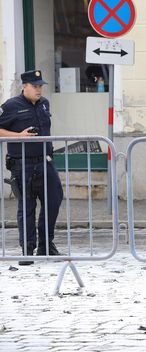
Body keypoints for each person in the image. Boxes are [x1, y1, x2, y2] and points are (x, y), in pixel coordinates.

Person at [0, 70, 63, 266]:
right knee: (27, 207)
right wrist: (17, 135)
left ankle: (46, 244)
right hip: (23, 165)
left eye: (40, 86)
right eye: (34, 86)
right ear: (24, 86)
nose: (38, 89)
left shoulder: (44, 103)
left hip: (45, 161)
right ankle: (27, 250)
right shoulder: (11, 106)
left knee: (54, 200)